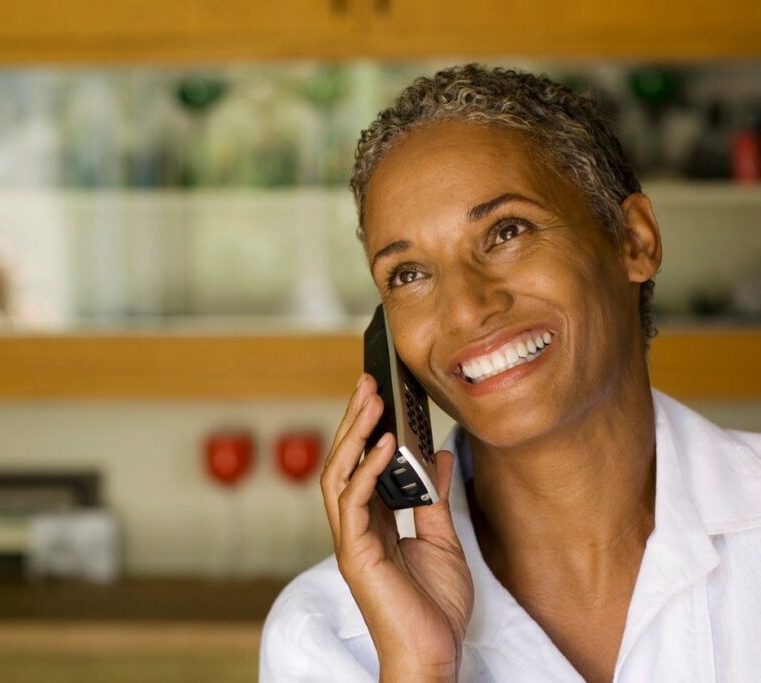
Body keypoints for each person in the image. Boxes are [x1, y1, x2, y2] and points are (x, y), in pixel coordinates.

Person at [259, 65, 761, 682]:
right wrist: (417, 665)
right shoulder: (326, 634)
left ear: (633, 240)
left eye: (507, 232)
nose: (466, 308)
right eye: (409, 274)